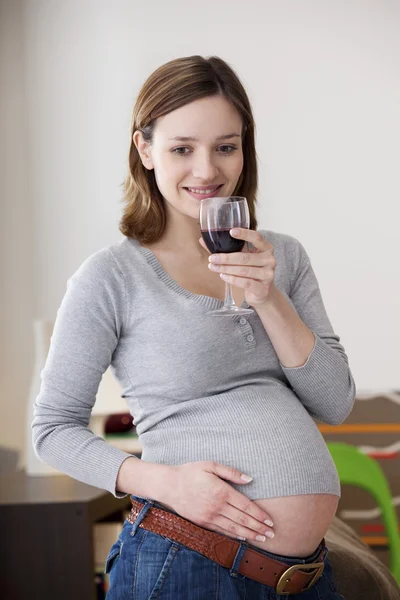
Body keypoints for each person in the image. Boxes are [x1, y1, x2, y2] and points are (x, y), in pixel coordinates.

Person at [32, 55, 355, 599]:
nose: (207, 171)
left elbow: (335, 402)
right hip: (185, 562)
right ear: (145, 150)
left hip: (303, 580)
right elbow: (53, 430)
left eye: (226, 147)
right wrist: (168, 484)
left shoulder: (284, 258)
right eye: (182, 149)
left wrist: (267, 297)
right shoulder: (112, 276)